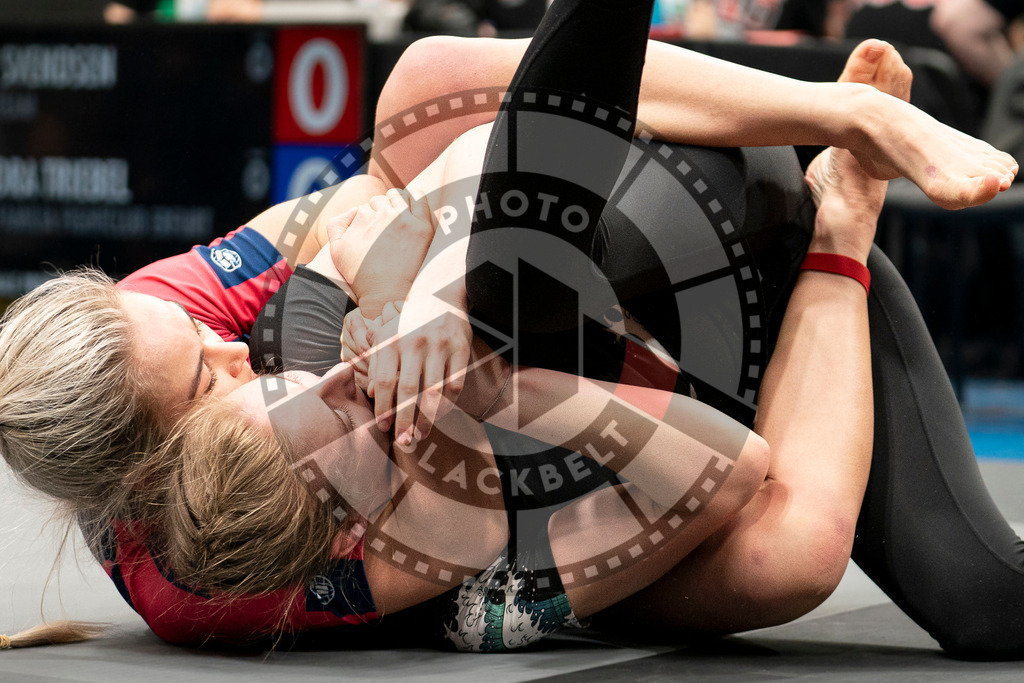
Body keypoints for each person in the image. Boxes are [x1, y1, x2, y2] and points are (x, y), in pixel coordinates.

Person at [0, 9, 1016, 650]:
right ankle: (841, 216)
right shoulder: (244, 575)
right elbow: (730, 477)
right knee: (935, 590)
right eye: (203, 379)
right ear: (148, 475)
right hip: (675, 373)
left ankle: (843, 114)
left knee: (424, 89)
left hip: (638, 222)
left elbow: (386, 190)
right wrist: (489, 387)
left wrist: (419, 300)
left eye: (199, 330)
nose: (226, 339)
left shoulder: (204, 321)